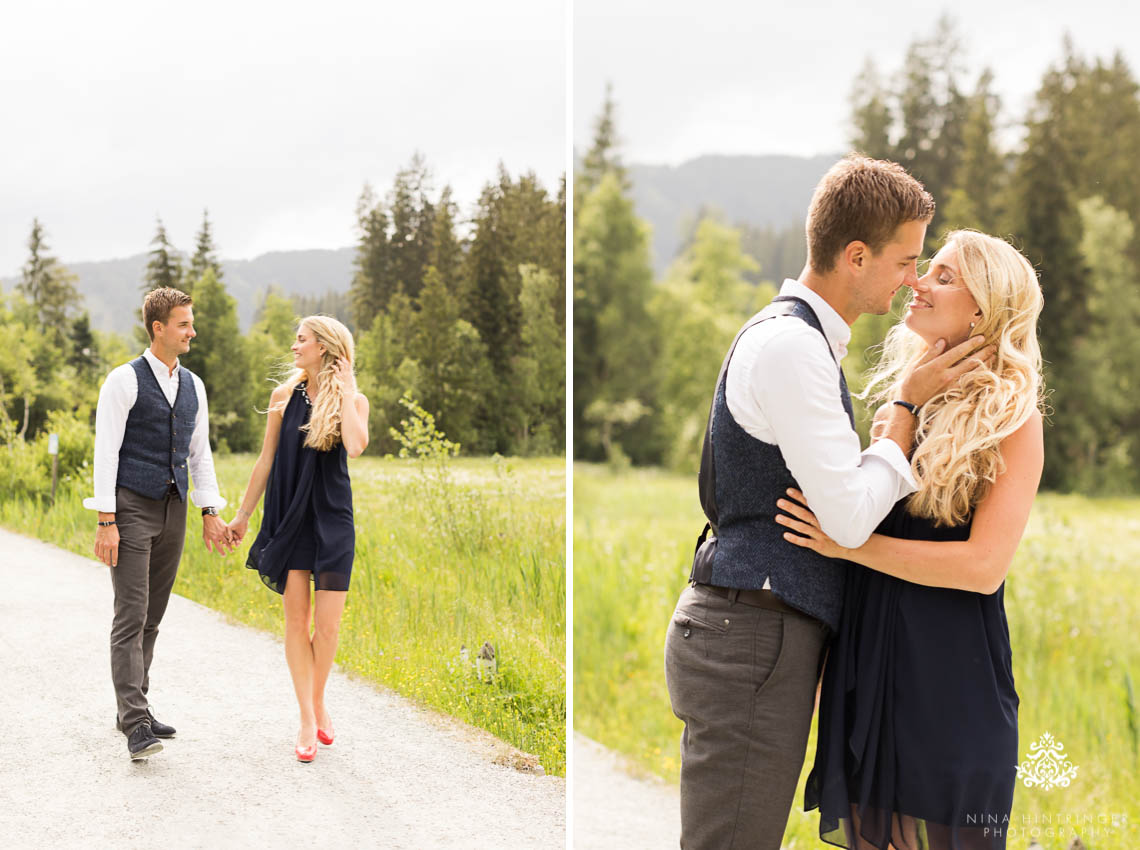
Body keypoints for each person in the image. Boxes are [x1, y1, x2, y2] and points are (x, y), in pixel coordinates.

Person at [663, 155, 994, 849]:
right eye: (906, 260)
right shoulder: (793, 349)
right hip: (749, 633)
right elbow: (845, 516)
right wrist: (903, 413)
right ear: (855, 255)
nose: (913, 277)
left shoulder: (800, 342)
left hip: (755, 633)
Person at [777, 230, 1044, 850]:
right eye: (926, 270)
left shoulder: (1014, 419)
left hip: (951, 685)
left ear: (984, 307)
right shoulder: (900, 409)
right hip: (869, 673)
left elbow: (983, 568)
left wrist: (848, 545)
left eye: (944, 277)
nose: (917, 283)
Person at [86, 286, 233, 760]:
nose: (193, 331)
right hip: (130, 506)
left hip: (174, 509)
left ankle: (135, 706)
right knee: (130, 615)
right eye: (185, 323)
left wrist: (209, 512)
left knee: (153, 616)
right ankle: (134, 724)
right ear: (159, 328)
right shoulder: (123, 381)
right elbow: (105, 453)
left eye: (191, 322)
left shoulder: (194, 385)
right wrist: (106, 519)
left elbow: (199, 453)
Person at [224, 315, 368, 763]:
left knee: (326, 628)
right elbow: (265, 460)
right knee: (296, 621)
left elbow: (357, 445)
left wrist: (344, 391)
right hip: (290, 516)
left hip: (333, 519)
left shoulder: (354, 399)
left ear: (323, 347)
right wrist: (244, 516)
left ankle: (318, 698)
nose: (293, 347)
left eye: (301, 340)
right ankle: (307, 717)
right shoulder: (283, 397)